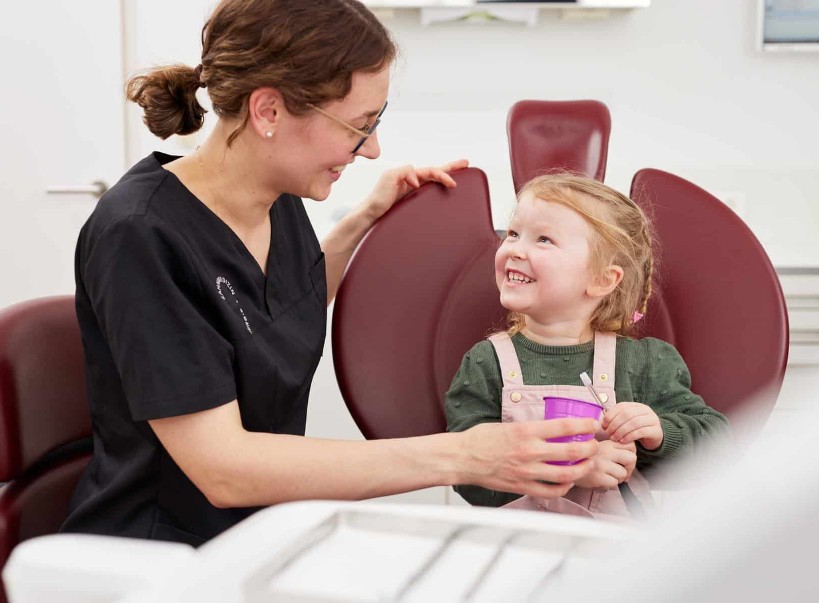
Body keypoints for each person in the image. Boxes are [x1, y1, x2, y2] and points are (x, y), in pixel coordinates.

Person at [60, 0, 599, 547]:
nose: (372, 150)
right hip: (158, 552)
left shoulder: (276, 199)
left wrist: (366, 218)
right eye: (359, 126)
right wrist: (464, 455)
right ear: (269, 112)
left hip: (259, 532)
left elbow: (274, 311)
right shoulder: (140, 235)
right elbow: (224, 470)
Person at [445, 173, 730, 519]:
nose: (515, 249)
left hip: (616, 549)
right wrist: (569, 470)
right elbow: (466, 472)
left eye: (544, 239)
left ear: (601, 279)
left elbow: (718, 448)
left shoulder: (644, 363)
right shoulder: (485, 363)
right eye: (514, 233)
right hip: (520, 545)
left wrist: (659, 432)